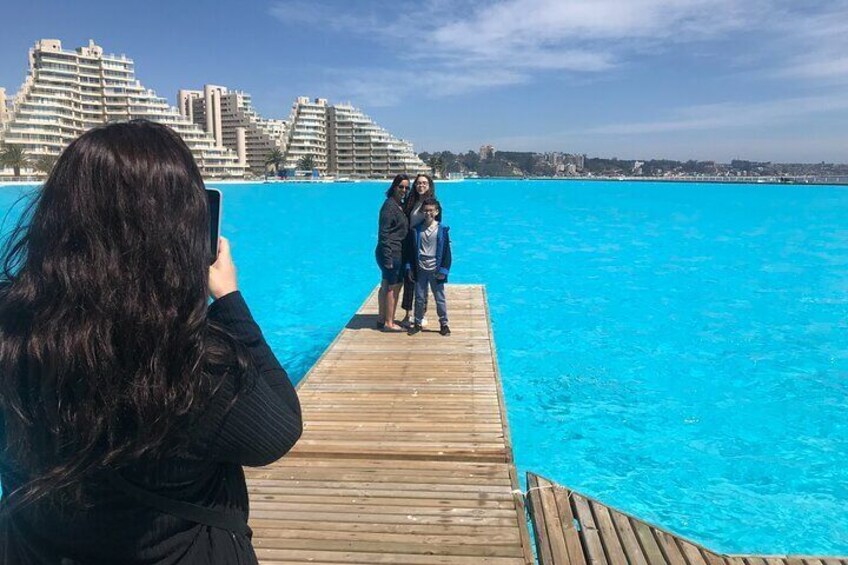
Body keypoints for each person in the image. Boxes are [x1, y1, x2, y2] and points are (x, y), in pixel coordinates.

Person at [0, 120, 302, 564]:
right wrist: (230, 301)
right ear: (179, 231)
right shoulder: (195, 359)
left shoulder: (12, 331)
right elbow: (277, 432)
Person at [405, 197, 451, 336]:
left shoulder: (442, 230)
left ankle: (444, 323)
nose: (428, 213)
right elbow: (411, 252)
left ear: (436, 212)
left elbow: (447, 253)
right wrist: (409, 268)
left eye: (431, 210)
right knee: (419, 298)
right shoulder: (416, 230)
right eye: (425, 211)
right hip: (420, 269)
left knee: (440, 298)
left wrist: (444, 270)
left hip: (436, 270)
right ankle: (418, 323)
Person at [399, 173, 437, 328]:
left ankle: (421, 314)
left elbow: (437, 225)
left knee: (422, 281)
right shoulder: (410, 201)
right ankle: (408, 313)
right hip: (409, 243)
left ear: (429, 186)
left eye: (424, 183)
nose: (421, 186)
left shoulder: (432, 203)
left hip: (424, 246)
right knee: (409, 278)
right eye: (418, 183)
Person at [375, 173, 410, 332]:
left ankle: (382, 318)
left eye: (406, 187)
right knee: (392, 287)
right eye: (401, 186)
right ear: (394, 187)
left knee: (385, 284)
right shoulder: (389, 206)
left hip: (392, 251)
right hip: (390, 252)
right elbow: (384, 233)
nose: (404, 190)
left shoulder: (398, 204)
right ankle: (389, 323)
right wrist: (388, 257)